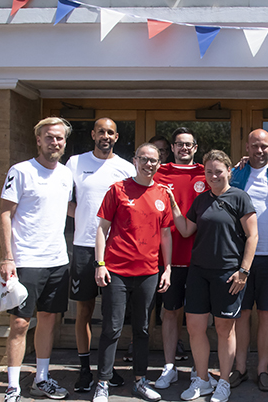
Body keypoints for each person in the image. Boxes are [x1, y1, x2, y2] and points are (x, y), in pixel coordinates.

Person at [165, 149, 258, 402]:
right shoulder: (201, 199)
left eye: (218, 171)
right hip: (199, 273)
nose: (213, 176)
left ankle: (224, 382)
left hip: (228, 275)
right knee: (195, 328)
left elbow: (253, 236)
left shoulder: (240, 198)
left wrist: (244, 271)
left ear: (229, 171)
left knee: (224, 329)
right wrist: (172, 202)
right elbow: (185, 230)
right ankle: (203, 380)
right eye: (208, 172)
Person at [0, 117, 74, 402]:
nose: (54, 142)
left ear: (64, 143)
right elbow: (5, 213)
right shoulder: (20, 171)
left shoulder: (66, 174)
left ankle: (41, 378)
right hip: (25, 260)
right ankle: (13, 386)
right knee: (20, 323)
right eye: (49, 137)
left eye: (59, 138)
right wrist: (7, 258)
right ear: (38, 140)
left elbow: (67, 207)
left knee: (48, 319)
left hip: (57, 259)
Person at [92, 143, 173, 402]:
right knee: (112, 328)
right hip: (116, 270)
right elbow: (102, 229)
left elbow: (165, 234)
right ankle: (103, 383)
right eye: (144, 159)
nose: (149, 164)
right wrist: (100, 264)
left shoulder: (162, 194)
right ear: (135, 160)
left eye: (154, 161)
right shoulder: (118, 190)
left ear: (159, 164)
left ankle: (140, 380)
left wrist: (167, 268)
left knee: (142, 329)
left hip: (149, 272)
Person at [67, 118, 135, 393]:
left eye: (110, 132)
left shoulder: (126, 168)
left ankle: (107, 369)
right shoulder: (74, 163)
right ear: (93, 134)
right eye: (101, 132)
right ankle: (85, 369)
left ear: (116, 137)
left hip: (114, 249)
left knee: (111, 314)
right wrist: (82, 215)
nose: (105, 136)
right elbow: (63, 199)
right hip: (84, 247)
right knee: (83, 310)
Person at [229, 129, 268, 392]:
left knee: (267, 315)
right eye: (254, 146)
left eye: (264, 146)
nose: (259, 151)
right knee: (242, 315)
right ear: (247, 147)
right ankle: (240, 368)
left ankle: (263, 369)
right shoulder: (236, 173)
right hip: (241, 258)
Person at [152, 127, 207, 388]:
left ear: (195, 148)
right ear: (172, 148)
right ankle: (170, 366)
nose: (184, 148)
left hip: (199, 259)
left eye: (189, 144)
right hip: (168, 260)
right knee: (170, 313)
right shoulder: (158, 173)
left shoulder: (206, 173)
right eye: (179, 144)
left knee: (198, 317)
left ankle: (199, 368)